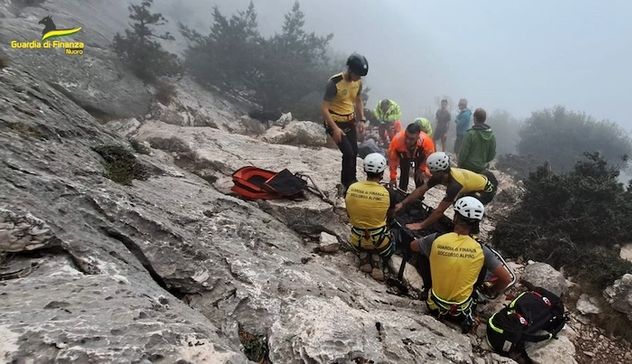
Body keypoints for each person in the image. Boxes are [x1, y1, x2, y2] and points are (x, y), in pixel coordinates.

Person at [410, 196, 512, 332]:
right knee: (481, 266)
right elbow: (506, 279)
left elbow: (413, 246)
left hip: (433, 306)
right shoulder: (481, 250)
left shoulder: (436, 239)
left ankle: (428, 288)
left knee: (424, 255)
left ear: (455, 218)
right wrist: (492, 290)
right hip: (460, 313)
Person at [394, 152, 497, 231]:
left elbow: (440, 211)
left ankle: (472, 232)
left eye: (432, 171)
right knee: (459, 204)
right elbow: (421, 190)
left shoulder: (454, 185)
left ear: (438, 172)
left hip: (485, 191)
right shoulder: (441, 175)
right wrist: (403, 203)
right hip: (476, 182)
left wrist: (420, 225)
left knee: (464, 207)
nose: (430, 173)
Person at [322, 53, 369, 193]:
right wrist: (335, 129)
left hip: (349, 121)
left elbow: (358, 100)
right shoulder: (334, 82)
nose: (360, 78)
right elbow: (324, 108)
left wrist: (362, 119)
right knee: (348, 153)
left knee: (354, 151)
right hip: (334, 121)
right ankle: (345, 183)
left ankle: (352, 180)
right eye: (358, 74)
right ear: (351, 70)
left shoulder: (358, 83)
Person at [345, 153, 396, 281]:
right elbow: (389, 216)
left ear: (365, 170)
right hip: (380, 242)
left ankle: (363, 256)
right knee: (392, 236)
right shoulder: (388, 192)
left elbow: (349, 214)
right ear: (382, 172)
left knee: (362, 237)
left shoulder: (352, 187)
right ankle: (377, 260)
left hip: (356, 239)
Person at [387, 123, 435, 191]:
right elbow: (393, 160)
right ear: (405, 132)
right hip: (404, 155)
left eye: (412, 139)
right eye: (406, 137)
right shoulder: (397, 140)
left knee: (419, 176)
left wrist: (422, 168)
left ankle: (419, 195)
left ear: (418, 136)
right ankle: (402, 191)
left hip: (419, 156)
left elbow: (429, 156)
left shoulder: (426, 141)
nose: (408, 141)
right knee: (404, 171)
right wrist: (393, 177)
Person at [458, 108, 496, 174]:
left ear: (475, 118)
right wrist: (483, 162)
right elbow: (492, 154)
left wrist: (459, 165)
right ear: (484, 119)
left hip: (468, 168)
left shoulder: (470, 134)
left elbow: (463, 153)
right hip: (482, 168)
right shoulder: (491, 135)